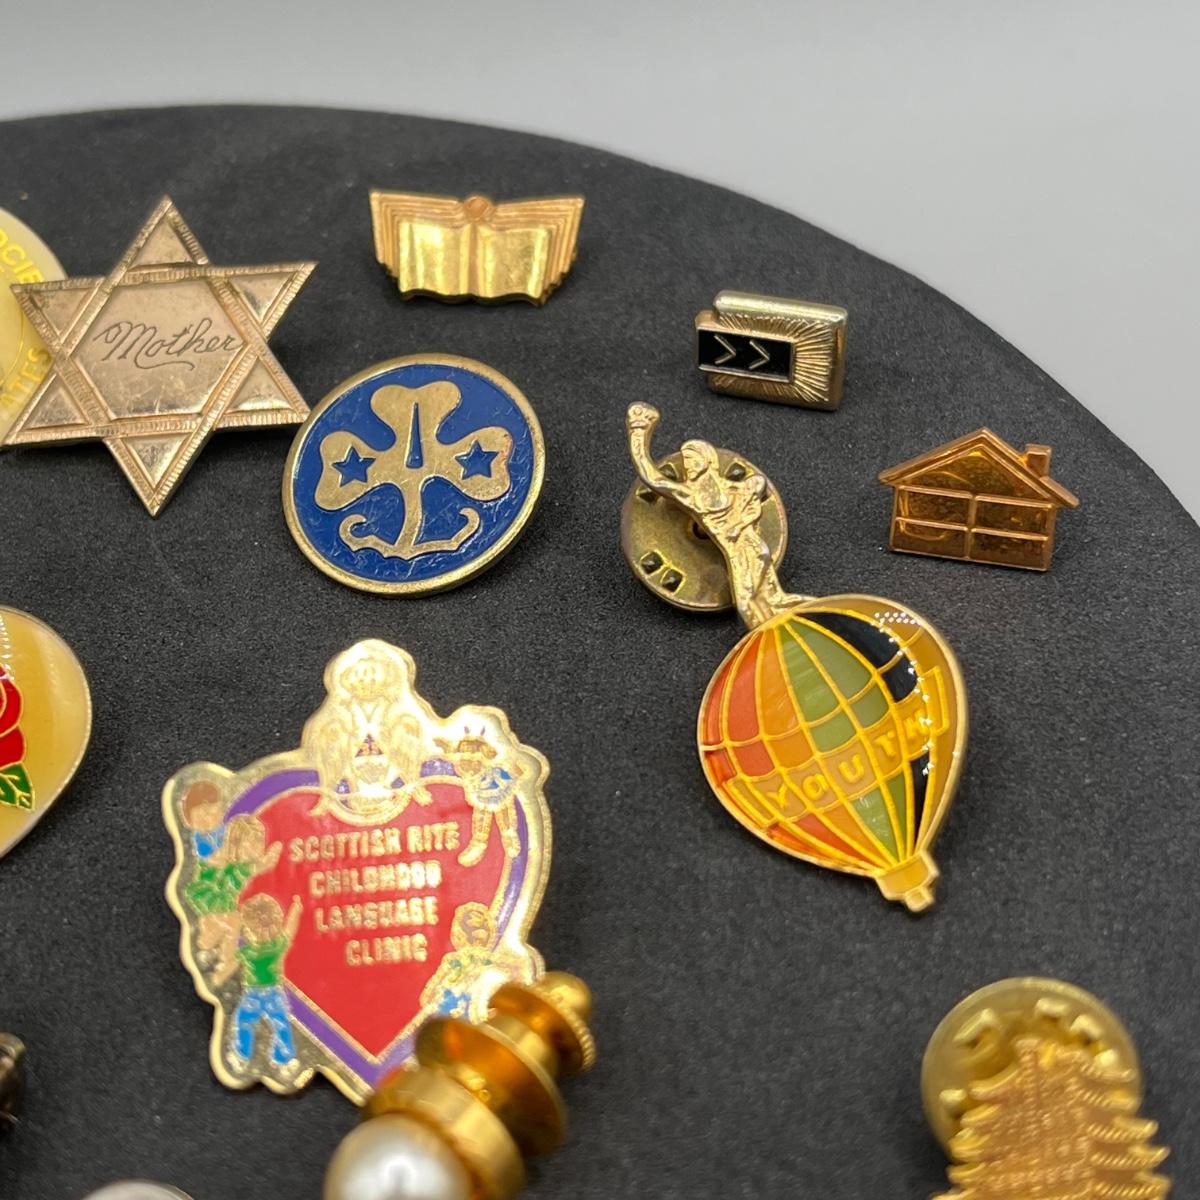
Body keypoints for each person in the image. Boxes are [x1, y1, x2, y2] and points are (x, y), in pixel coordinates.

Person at [627, 402, 804, 627]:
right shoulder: (691, 495)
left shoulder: (734, 489)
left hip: (750, 551)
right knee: (767, 605)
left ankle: (812, 623)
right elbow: (651, 477)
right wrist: (639, 435)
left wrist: (738, 525)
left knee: (756, 606)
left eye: (692, 459)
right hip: (742, 554)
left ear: (707, 460)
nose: (687, 465)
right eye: (686, 460)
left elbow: (756, 491)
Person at [229, 893, 303, 1070]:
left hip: (252, 995)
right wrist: (295, 911)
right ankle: (284, 1058)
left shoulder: (247, 952)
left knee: (243, 1021)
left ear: (248, 929)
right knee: (281, 1023)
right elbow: (290, 930)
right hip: (273, 993)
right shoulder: (277, 945)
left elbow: (230, 953)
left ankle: (241, 1055)